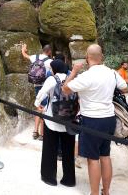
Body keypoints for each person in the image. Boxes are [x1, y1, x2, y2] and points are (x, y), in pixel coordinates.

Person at [62, 44, 128, 195]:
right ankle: (106, 191)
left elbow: (65, 89)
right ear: (102, 57)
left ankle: (94, 193)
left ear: (87, 58)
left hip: (92, 120)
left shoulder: (86, 76)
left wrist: (74, 71)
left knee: (93, 159)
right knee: (105, 155)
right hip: (109, 119)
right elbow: (124, 88)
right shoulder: (112, 72)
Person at [34, 59, 76, 187]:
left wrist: (37, 104)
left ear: (55, 69)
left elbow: (42, 93)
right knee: (68, 151)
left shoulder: (52, 79)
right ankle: (69, 180)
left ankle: (49, 177)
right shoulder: (72, 78)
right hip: (69, 120)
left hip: (52, 119)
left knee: (49, 149)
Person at [21, 43, 53, 140]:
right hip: (45, 87)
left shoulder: (35, 57)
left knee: (39, 107)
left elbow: (25, 55)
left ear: (43, 50)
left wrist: (24, 48)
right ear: (49, 51)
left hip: (36, 85)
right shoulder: (50, 61)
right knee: (44, 108)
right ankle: (41, 134)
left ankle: (37, 131)